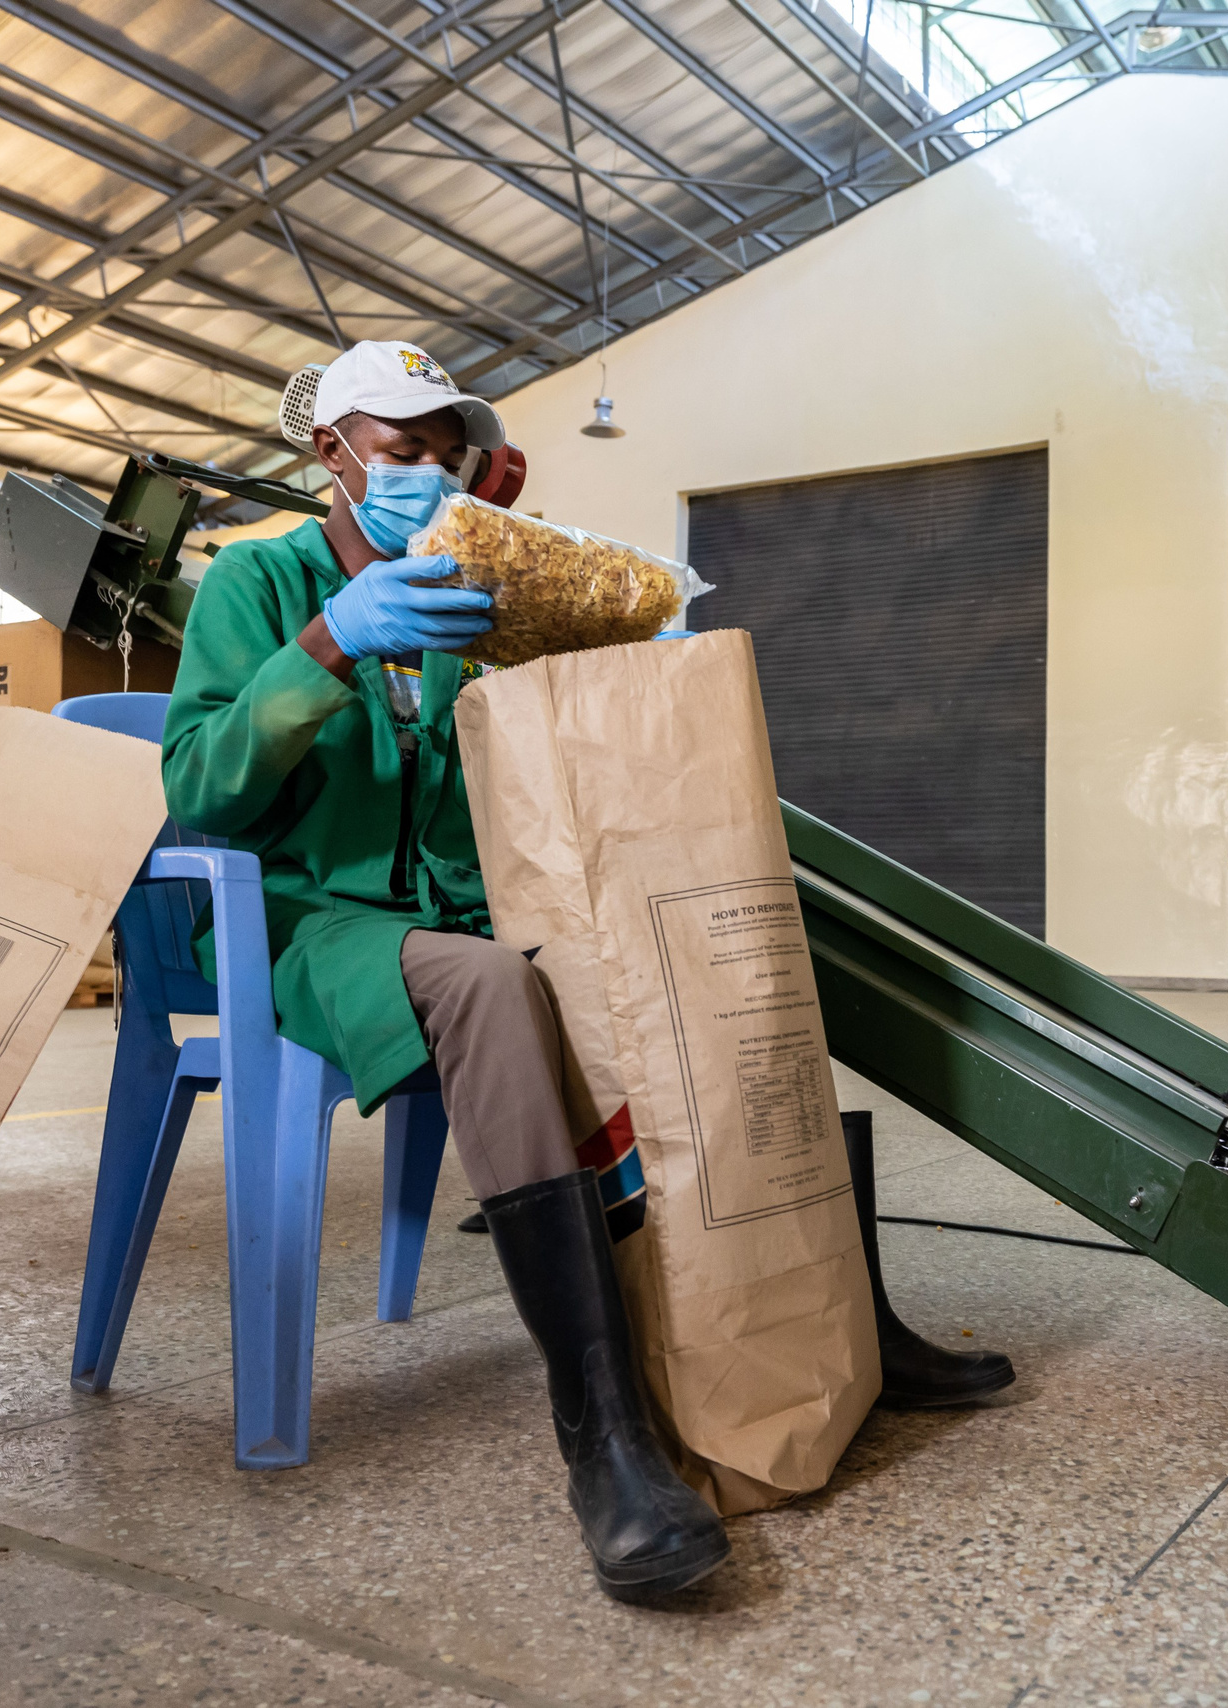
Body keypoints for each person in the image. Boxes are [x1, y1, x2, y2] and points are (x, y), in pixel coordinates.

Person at [161, 341, 1014, 1605]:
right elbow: (203, 789)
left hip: (487, 904)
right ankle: (603, 1434)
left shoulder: (469, 590)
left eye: (443, 454)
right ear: (329, 455)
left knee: (721, 953)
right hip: (317, 924)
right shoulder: (258, 583)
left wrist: (618, 630)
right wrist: (331, 648)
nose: (427, 474)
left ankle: (850, 1322)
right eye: (399, 453)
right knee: (495, 991)